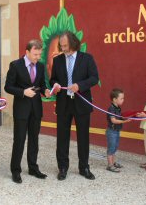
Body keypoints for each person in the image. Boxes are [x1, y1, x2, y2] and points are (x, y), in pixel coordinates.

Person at [50, 31, 99, 181]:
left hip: (82, 103)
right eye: (61, 46)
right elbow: (52, 80)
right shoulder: (57, 60)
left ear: (73, 43)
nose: (63, 48)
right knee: (62, 137)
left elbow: (94, 78)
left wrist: (80, 85)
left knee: (83, 137)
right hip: (64, 103)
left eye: (65, 46)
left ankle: (84, 167)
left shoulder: (87, 58)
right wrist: (55, 85)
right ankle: (63, 167)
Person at [4, 40, 51, 184]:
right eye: (35, 54)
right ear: (27, 52)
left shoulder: (41, 66)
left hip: (36, 109)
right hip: (21, 110)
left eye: (39, 54)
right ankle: (15, 171)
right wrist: (23, 92)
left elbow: (41, 85)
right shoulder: (15, 65)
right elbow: (8, 87)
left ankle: (33, 168)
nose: (38, 57)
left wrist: (46, 91)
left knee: (34, 140)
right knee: (19, 140)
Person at [106, 88, 130, 173]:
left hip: (116, 131)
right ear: (114, 99)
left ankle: (113, 162)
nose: (123, 100)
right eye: (121, 98)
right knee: (111, 148)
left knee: (115, 147)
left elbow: (119, 117)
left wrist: (126, 117)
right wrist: (124, 121)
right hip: (111, 131)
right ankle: (110, 165)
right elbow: (113, 120)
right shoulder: (111, 108)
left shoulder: (118, 108)